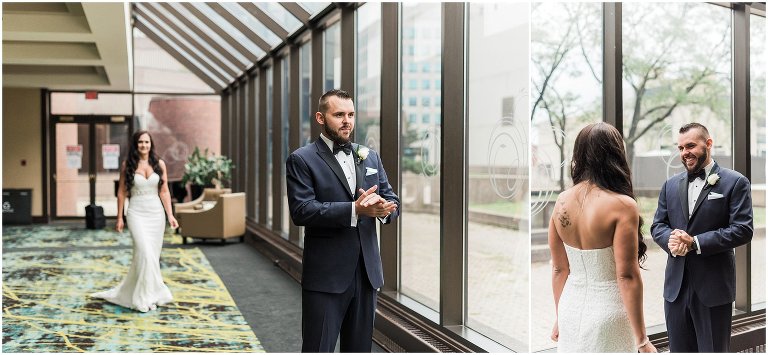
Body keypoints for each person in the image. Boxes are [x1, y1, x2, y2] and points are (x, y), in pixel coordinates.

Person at [286, 89, 400, 352]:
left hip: (367, 274)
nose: (347, 120)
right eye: (338, 115)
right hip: (327, 275)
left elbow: (392, 201)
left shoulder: (369, 156)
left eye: (350, 114)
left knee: (359, 349)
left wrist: (383, 209)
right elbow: (302, 210)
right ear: (320, 117)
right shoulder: (302, 159)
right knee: (318, 348)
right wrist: (354, 209)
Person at [549, 122, 657, 353]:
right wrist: (642, 340)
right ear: (616, 154)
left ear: (579, 155)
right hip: (609, 314)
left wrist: (560, 317)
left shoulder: (562, 201)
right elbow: (626, 275)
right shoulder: (622, 205)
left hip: (570, 309)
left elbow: (559, 270)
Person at [651, 122, 752, 352]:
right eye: (680, 148)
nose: (684, 152)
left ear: (708, 144)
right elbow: (658, 225)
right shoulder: (670, 185)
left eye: (690, 145)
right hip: (675, 291)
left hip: (713, 289)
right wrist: (671, 238)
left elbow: (743, 229)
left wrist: (695, 243)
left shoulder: (735, 182)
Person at [92, 130, 178, 312]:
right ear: (136, 145)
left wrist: (170, 215)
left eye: (147, 142)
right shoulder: (127, 165)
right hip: (136, 213)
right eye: (140, 142)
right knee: (145, 253)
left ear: (151, 144)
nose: (144, 146)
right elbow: (122, 192)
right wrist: (119, 217)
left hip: (156, 214)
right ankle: (141, 298)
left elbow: (164, 191)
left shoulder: (159, 164)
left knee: (151, 257)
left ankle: (152, 294)